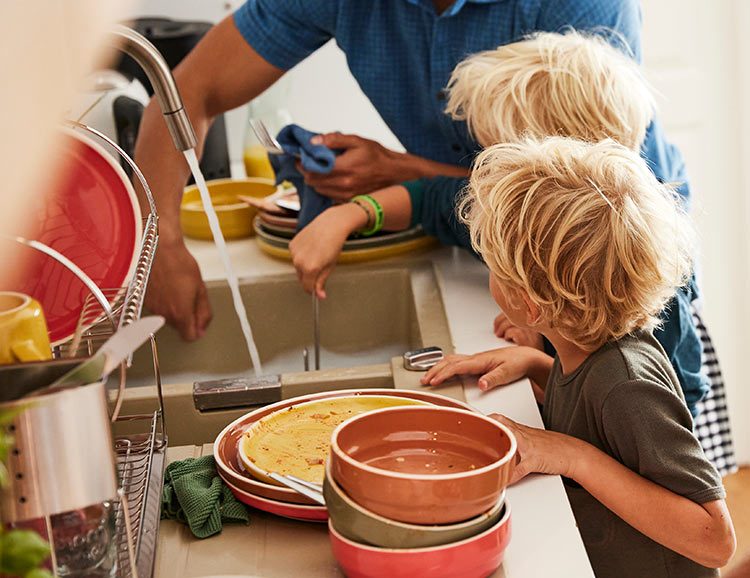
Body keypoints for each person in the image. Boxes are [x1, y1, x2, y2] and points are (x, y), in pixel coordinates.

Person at [133, 0, 686, 343]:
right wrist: (161, 244)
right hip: (510, 273)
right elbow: (188, 92)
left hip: (610, 264)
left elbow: (585, 200)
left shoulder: (587, 5)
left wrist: (398, 169)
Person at [289, 29, 708, 417]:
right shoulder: (528, 218)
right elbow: (432, 200)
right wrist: (350, 214)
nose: (485, 176)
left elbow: (660, 416)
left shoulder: (639, 280)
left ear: (562, 173)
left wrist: (543, 347)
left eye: (498, 154)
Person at [421, 137, 736, 578]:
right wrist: (535, 367)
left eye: (492, 264)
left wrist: (572, 457)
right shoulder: (590, 354)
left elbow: (715, 540)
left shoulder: (627, 383)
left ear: (532, 307)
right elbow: (602, 420)